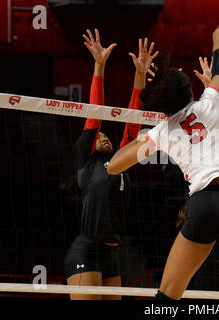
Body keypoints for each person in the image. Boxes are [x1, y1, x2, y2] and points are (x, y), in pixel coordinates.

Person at [107, 17, 219, 300]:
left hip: (202, 205)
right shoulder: (212, 100)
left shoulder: (162, 131)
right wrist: (217, 33)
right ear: (191, 91)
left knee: (167, 296)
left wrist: (147, 130)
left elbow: (114, 165)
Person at [64, 29, 158, 300]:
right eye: (100, 136)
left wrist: (140, 75)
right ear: (90, 143)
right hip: (86, 249)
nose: (104, 137)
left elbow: (133, 119)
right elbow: (95, 114)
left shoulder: (121, 160)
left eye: (107, 136)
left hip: (112, 253)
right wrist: (100, 64)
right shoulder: (87, 162)